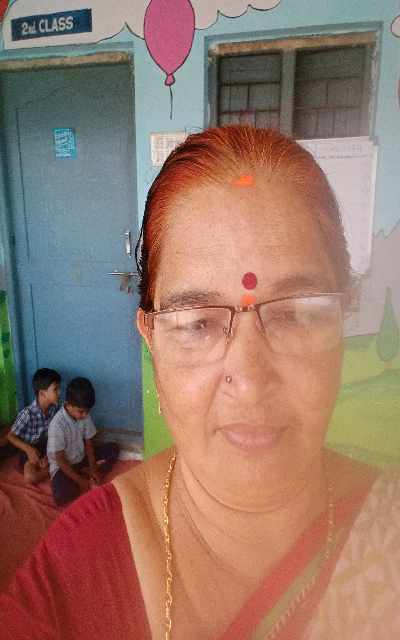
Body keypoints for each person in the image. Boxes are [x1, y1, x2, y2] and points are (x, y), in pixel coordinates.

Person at [0, 126, 399, 638]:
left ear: (341, 326)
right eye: (198, 323)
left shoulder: (387, 527)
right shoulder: (75, 575)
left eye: (296, 314)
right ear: (151, 341)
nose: (249, 382)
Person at [47, 377, 119, 506]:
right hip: (63, 466)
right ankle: (82, 478)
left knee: (113, 449)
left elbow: (88, 444)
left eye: (87, 411)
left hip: (81, 459)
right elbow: (60, 460)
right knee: (61, 496)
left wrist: (93, 468)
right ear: (68, 404)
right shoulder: (57, 424)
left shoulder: (84, 415)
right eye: (81, 412)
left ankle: (91, 474)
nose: (85, 415)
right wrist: (81, 482)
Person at [6, 368, 60, 484]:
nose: (59, 393)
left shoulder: (54, 408)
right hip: (30, 448)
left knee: (68, 454)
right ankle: (54, 468)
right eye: (56, 389)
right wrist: (28, 449)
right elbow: (10, 436)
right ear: (42, 393)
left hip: (47, 446)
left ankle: (50, 466)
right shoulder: (27, 413)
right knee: (30, 478)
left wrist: (48, 454)